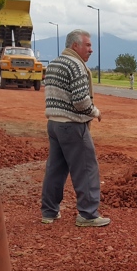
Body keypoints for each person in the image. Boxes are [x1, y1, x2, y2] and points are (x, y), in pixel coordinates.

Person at [40, 29, 111, 227]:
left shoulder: (54, 63)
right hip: (72, 125)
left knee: (55, 169)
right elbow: (80, 100)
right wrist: (95, 112)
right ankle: (88, 215)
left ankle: (49, 212)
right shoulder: (76, 65)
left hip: (54, 124)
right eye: (87, 45)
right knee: (87, 169)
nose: (91, 50)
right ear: (75, 46)